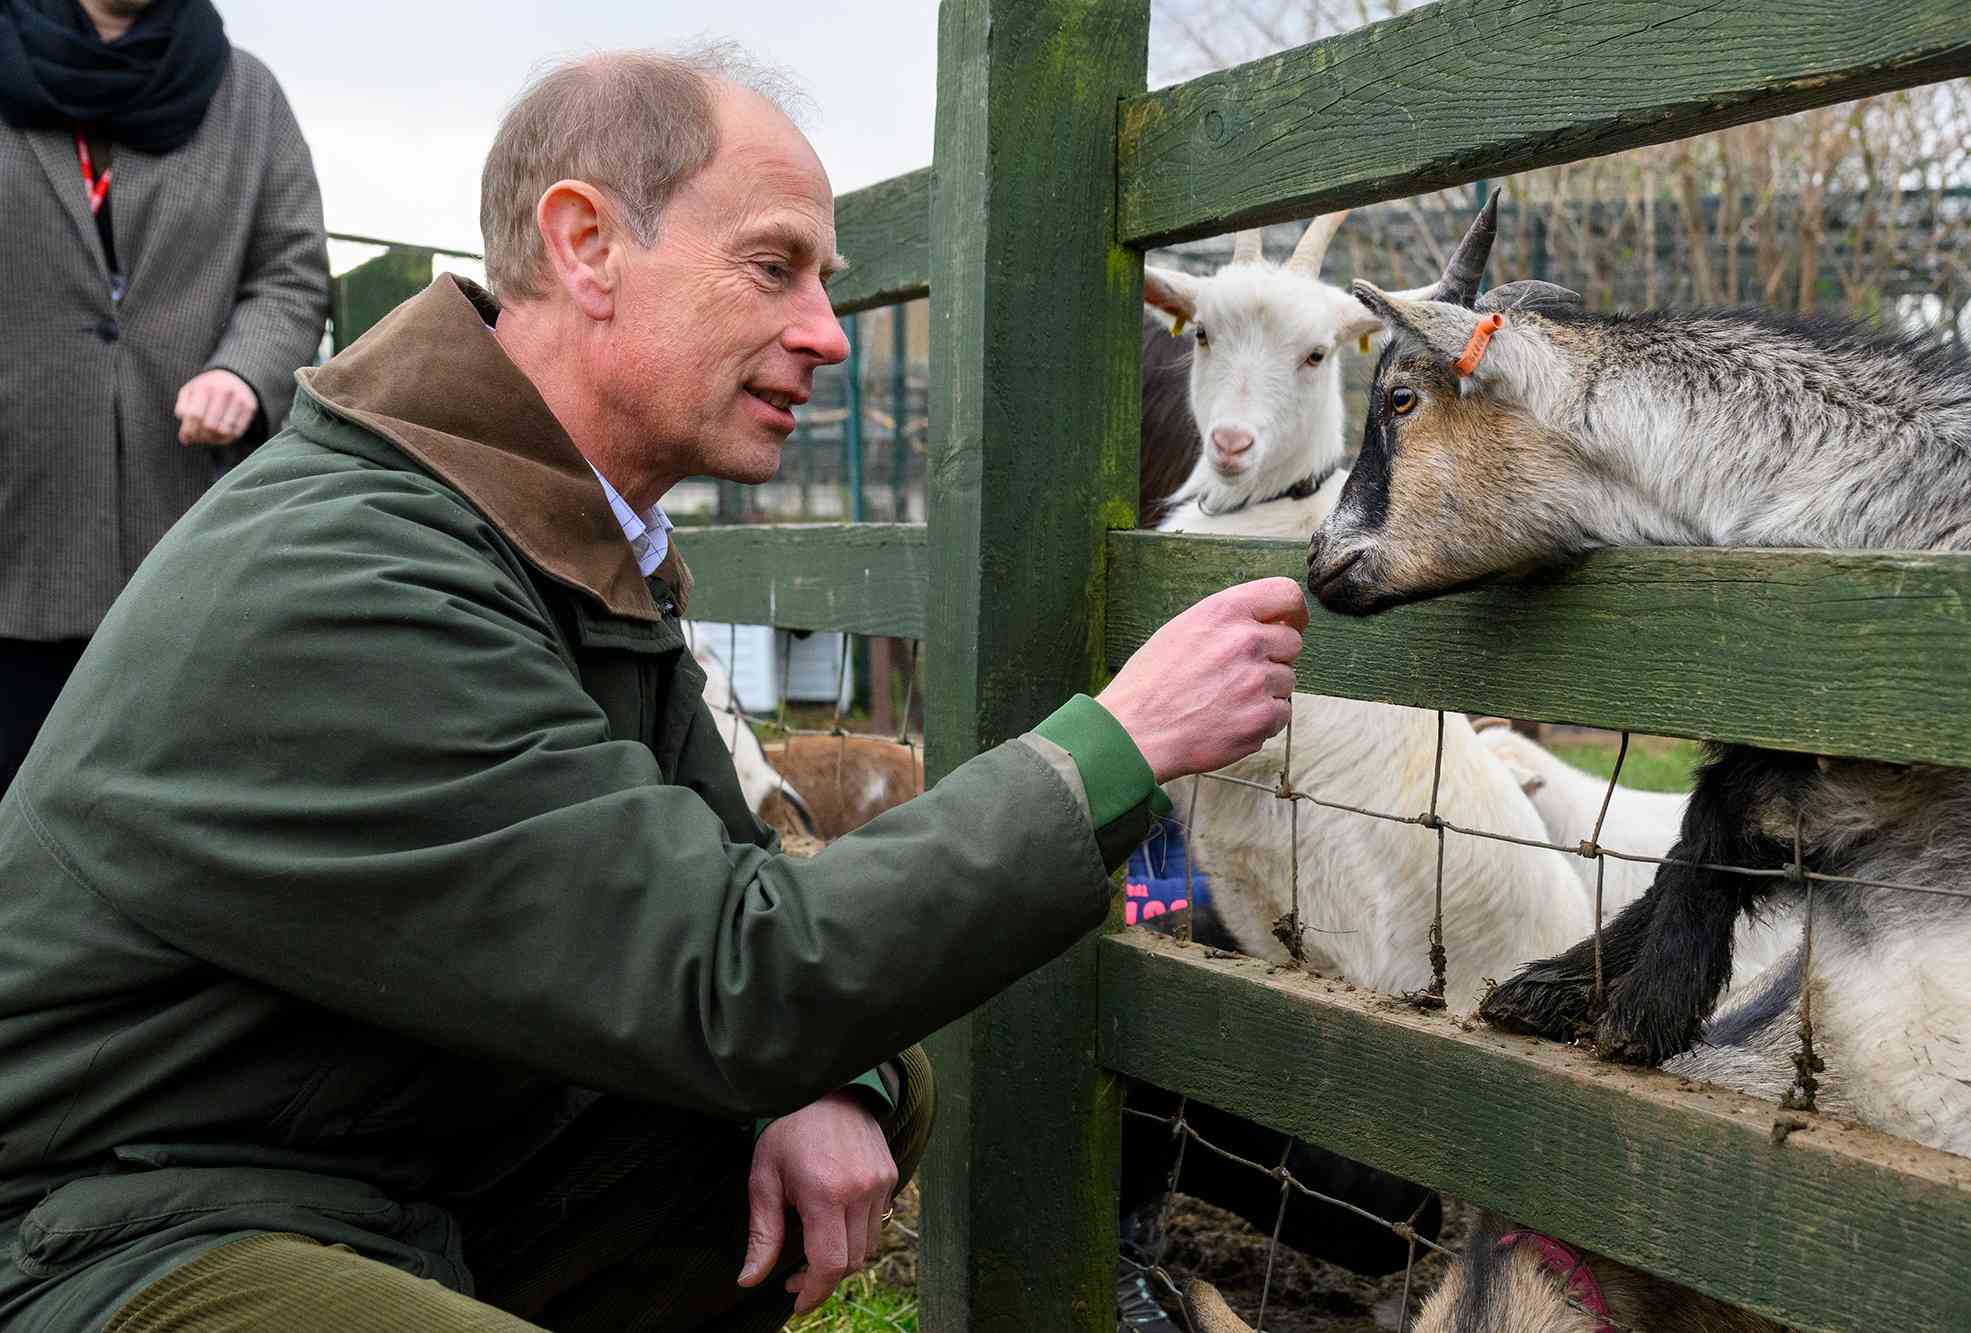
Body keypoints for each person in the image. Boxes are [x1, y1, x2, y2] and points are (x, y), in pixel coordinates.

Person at [0, 46, 1307, 1333]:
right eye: (772, 267)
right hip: (114, 1224)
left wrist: (822, 1079)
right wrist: (1113, 747)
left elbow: (736, 888)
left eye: (826, 281)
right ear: (585, 247)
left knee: (863, 1081)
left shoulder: (557, 539)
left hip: (368, 1154)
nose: (825, 335)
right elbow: (736, 969)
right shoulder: (360, 574)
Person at [0, 0, 329, 794]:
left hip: (183, 543)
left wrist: (244, 373)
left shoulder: (246, 93)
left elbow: (290, 272)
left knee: (160, 813)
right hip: (17, 526)